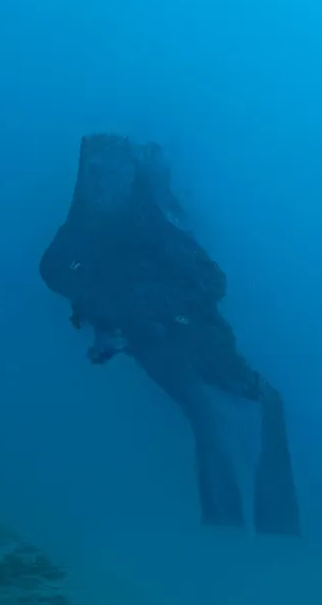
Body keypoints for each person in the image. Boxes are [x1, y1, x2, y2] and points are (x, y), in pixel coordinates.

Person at [40, 134, 299, 534]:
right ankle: (229, 532)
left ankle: (271, 526)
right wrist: (113, 313)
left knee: (263, 400)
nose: (108, 183)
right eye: (99, 173)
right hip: (146, 333)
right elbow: (55, 270)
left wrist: (167, 302)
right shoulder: (87, 225)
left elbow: (211, 278)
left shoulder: (159, 215)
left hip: (191, 327)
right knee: (207, 412)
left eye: (119, 172)